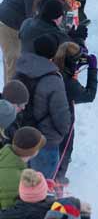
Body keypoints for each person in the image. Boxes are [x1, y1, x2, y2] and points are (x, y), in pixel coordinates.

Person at [14, 35, 71, 179]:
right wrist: (61, 133)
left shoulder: (20, 71)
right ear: (53, 53)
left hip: (21, 137)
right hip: (45, 141)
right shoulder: (53, 78)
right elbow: (61, 115)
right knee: (42, 186)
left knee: (23, 186)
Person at [53, 42, 98, 184]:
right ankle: (57, 182)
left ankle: (53, 178)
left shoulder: (51, 70)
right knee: (65, 151)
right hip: (63, 122)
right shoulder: (68, 83)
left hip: (44, 117)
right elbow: (88, 96)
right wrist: (93, 70)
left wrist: (72, 69)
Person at [0, 127, 46, 210]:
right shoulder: (15, 178)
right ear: (33, 152)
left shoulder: (4, 154)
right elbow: (10, 212)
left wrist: (39, 183)